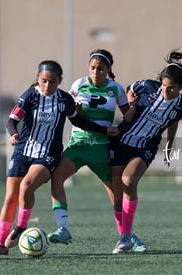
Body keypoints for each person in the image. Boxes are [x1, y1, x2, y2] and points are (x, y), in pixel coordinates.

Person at [0, 60, 118, 256]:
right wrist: (13, 133)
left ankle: (21, 226)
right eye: (44, 81)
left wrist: (105, 129)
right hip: (23, 151)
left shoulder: (64, 101)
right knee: (11, 198)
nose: (47, 85)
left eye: (52, 82)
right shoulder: (29, 96)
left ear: (59, 81)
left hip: (48, 155)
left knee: (26, 186)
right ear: (37, 79)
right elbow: (12, 120)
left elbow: (79, 121)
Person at [48, 49, 147, 253]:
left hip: (103, 149)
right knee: (56, 178)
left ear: (108, 69)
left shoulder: (116, 89)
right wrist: (77, 112)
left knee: (118, 197)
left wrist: (134, 105)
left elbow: (127, 116)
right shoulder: (78, 84)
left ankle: (128, 236)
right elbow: (72, 112)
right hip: (79, 146)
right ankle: (63, 229)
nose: (95, 72)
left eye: (100, 69)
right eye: (92, 68)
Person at [109, 49, 182, 253]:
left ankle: (125, 237)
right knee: (118, 196)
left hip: (145, 146)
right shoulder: (147, 86)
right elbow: (130, 89)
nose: (165, 91)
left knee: (129, 180)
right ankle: (126, 235)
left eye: (171, 88)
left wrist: (170, 147)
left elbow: (173, 123)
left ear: (181, 86)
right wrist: (131, 102)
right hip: (121, 141)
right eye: (163, 86)